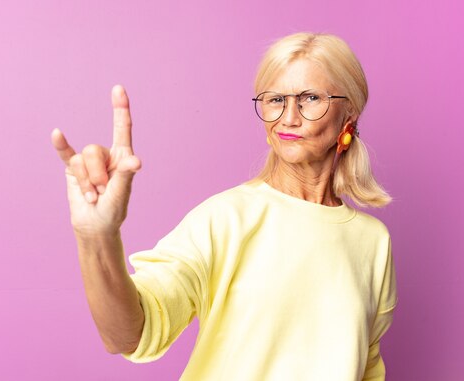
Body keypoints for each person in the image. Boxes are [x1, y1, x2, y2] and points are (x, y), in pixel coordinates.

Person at [51, 32, 398, 380]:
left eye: (310, 98)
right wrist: (98, 238)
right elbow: (129, 334)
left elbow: (365, 369)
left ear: (348, 112)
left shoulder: (373, 241)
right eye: (275, 99)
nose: (289, 117)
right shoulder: (225, 219)